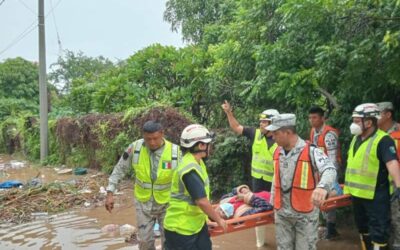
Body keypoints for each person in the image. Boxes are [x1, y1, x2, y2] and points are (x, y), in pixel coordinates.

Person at [105, 121, 180, 250]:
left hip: (168, 203)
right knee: (145, 242)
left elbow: (186, 178)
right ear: (143, 136)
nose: (151, 142)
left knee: (170, 242)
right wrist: (110, 193)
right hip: (143, 203)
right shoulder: (135, 148)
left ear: (162, 134)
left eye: (155, 138)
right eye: (148, 139)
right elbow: (119, 169)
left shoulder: (175, 152)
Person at [268, 113, 337, 250]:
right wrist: (272, 203)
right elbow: (275, 180)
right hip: (282, 214)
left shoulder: (311, 151)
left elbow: (330, 169)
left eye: (275, 133)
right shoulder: (277, 152)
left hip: (305, 215)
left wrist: (322, 187)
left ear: (287, 132)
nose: (272, 137)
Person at [221, 100, 279, 247]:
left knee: (277, 211)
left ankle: (283, 241)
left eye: (265, 122)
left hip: (275, 182)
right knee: (257, 211)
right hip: (258, 181)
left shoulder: (281, 140)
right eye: (261, 121)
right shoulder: (256, 134)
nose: (261, 124)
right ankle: (260, 244)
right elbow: (236, 127)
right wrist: (229, 112)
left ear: (273, 123)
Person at [344, 103, 400, 250]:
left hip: (376, 195)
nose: (353, 125)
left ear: (368, 122)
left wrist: (399, 185)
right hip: (357, 194)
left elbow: (392, 163)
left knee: (379, 232)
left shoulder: (383, 140)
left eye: (357, 121)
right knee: (363, 229)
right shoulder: (356, 139)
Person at [163, 124, 227, 250]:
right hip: (181, 228)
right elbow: (201, 201)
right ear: (201, 145)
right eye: (209, 143)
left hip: (195, 224)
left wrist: (206, 218)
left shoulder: (197, 162)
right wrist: (219, 220)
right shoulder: (189, 169)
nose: (211, 146)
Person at [308, 106, 342, 239]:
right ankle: (326, 226)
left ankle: (331, 227)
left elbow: (333, 159)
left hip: (329, 171)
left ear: (323, 118)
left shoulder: (329, 134)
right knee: (319, 196)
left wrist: (329, 178)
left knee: (330, 198)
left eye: (315, 117)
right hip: (319, 170)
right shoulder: (313, 131)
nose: (312, 120)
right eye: (310, 118)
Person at [377, 101, 400, 250]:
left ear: (388, 115)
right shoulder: (376, 134)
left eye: (378, 114)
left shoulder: (397, 134)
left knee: (397, 218)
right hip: (381, 185)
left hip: (396, 185)